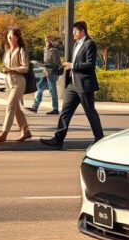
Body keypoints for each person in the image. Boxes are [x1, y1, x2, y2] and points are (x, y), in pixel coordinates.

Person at [40, 21, 104, 149]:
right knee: (65, 112)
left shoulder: (89, 44)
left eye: (75, 31)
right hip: (72, 84)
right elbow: (75, 62)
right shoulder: (76, 44)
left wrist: (72, 65)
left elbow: (90, 65)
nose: (73, 33)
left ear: (82, 31)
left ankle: (99, 139)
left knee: (90, 112)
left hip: (84, 84)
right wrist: (67, 65)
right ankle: (58, 140)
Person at [0, 26, 32, 143]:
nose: (10, 37)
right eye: (9, 35)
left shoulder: (21, 50)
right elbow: (6, 66)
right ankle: (26, 131)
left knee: (10, 106)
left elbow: (25, 68)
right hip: (9, 82)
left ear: (17, 37)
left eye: (12, 35)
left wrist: (11, 69)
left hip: (18, 82)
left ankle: (4, 133)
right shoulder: (7, 51)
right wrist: (4, 69)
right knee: (16, 108)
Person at [29, 35, 62, 115]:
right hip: (45, 73)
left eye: (47, 40)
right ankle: (35, 107)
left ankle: (55, 109)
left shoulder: (54, 51)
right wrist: (43, 66)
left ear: (51, 41)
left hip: (52, 74)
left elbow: (57, 64)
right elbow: (46, 62)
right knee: (39, 88)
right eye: (45, 40)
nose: (46, 42)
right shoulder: (45, 50)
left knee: (52, 91)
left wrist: (43, 65)